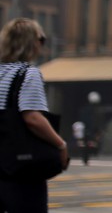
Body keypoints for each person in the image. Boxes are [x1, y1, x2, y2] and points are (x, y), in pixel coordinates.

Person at [0, 18, 70, 212]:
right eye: (42, 39)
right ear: (31, 42)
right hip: (20, 168)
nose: (42, 44)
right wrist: (60, 144)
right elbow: (32, 118)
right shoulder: (28, 73)